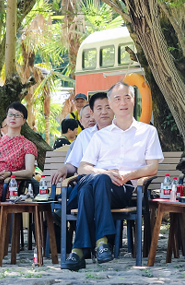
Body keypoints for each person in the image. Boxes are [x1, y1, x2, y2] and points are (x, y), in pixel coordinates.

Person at [65, 82, 163, 270]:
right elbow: (83, 167)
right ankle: (102, 243)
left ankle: (80, 248)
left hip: (122, 188)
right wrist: (104, 172)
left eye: (127, 97)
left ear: (134, 100)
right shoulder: (100, 136)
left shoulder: (148, 132)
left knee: (87, 188)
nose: (123, 102)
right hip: (98, 181)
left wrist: (129, 175)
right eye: (117, 98)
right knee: (97, 180)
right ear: (111, 102)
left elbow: (153, 168)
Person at [52, 93, 112, 184]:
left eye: (108, 107)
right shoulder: (84, 135)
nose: (104, 112)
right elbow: (73, 164)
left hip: (110, 180)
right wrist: (62, 169)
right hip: (87, 180)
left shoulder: (120, 133)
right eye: (99, 108)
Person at [0, 103, 37, 211]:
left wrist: (10, 174)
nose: (13, 118)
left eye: (17, 115)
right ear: (6, 118)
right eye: (10, 114)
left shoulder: (28, 145)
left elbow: (29, 172)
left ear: (24, 120)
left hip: (9, 185)